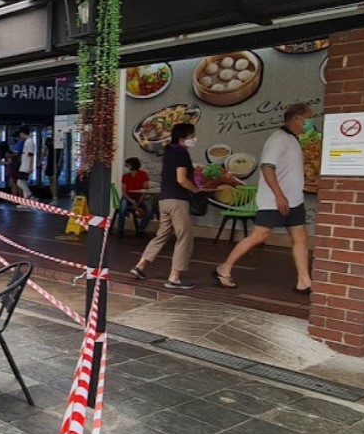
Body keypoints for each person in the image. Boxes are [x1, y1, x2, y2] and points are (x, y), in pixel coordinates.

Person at [214, 103, 314, 293]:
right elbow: (267, 167)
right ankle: (224, 268)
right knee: (259, 236)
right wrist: (279, 196)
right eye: (309, 118)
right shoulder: (278, 139)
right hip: (274, 201)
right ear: (297, 118)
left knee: (300, 238)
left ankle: (304, 281)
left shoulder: (293, 140)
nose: (311, 122)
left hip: (295, 200)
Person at [131, 123, 203, 289]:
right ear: (183, 138)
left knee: (162, 235)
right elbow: (181, 179)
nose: (194, 139)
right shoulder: (181, 153)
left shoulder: (169, 151)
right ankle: (174, 277)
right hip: (177, 200)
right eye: (192, 136)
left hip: (164, 200)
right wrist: (196, 190)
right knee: (185, 237)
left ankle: (140, 266)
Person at [119, 157, 154, 238]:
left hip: (140, 197)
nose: (126, 167)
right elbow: (124, 192)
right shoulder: (125, 176)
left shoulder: (143, 174)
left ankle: (141, 230)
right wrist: (131, 201)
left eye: (127, 165)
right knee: (123, 208)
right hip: (128, 197)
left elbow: (145, 190)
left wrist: (138, 203)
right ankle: (120, 230)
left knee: (149, 209)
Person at [15, 128, 36, 205]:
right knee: (24, 183)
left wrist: (30, 166)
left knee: (19, 182)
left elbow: (31, 154)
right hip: (24, 165)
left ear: (22, 133)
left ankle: (30, 196)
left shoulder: (29, 141)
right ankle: (26, 203)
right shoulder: (28, 141)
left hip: (26, 166)